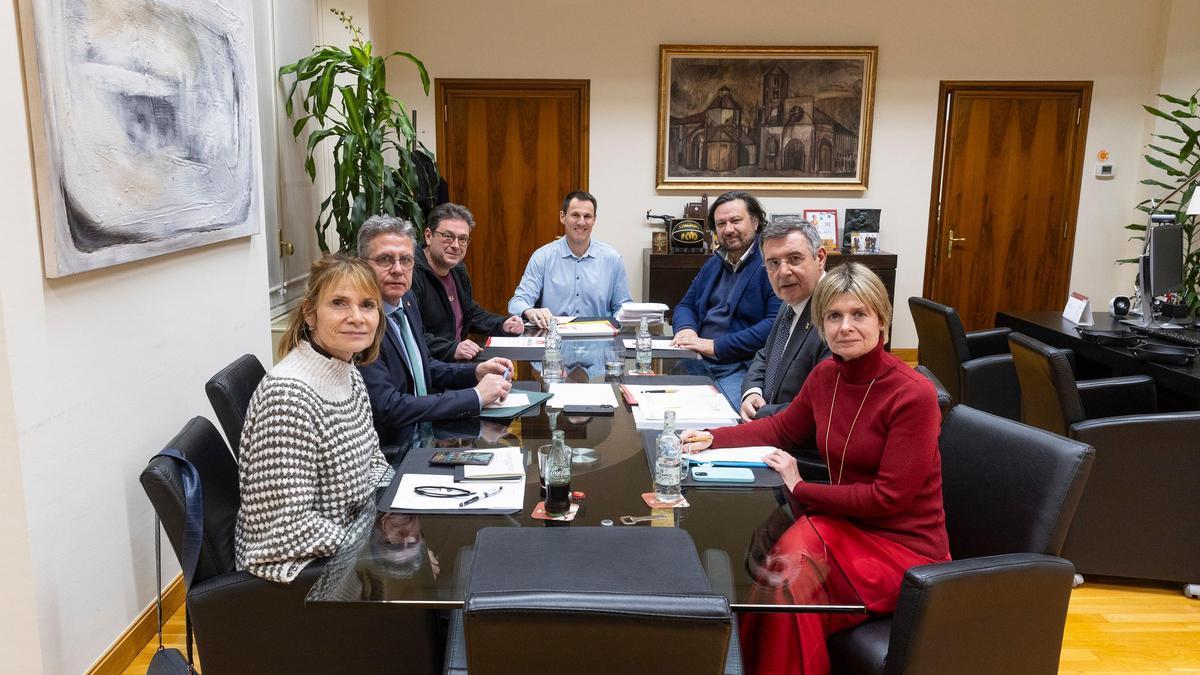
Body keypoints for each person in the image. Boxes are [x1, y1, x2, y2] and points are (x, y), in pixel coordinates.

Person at [681, 263, 948, 675]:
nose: (846, 326)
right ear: (822, 326)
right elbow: (782, 428)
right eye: (834, 316)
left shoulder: (913, 395)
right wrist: (713, 436)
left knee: (790, 577)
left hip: (902, 546)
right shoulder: (827, 375)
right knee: (773, 568)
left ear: (883, 322)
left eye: (859, 314)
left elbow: (888, 498)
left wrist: (801, 487)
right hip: (843, 523)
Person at [235, 255, 391, 584]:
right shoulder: (289, 397)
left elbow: (373, 463)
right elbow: (287, 526)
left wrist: (403, 507)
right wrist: (377, 551)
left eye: (367, 305)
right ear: (310, 313)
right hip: (304, 575)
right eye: (339, 303)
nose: (357, 317)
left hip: (346, 545)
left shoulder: (345, 370)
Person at [357, 216, 513, 443]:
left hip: (426, 435)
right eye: (385, 259)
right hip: (391, 450)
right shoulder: (360, 323)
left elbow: (423, 365)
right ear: (362, 265)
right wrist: (475, 396)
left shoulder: (406, 300)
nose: (398, 269)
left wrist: (476, 371)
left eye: (406, 260)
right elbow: (389, 406)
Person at [671, 191, 782, 405]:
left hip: (741, 367)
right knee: (657, 404)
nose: (728, 229)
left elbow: (773, 325)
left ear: (756, 222)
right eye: (721, 224)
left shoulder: (771, 262)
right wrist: (687, 329)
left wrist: (714, 346)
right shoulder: (714, 262)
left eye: (736, 221)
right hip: (697, 360)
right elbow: (686, 305)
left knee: (723, 420)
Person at [739, 217, 831, 422]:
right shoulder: (792, 298)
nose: (784, 272)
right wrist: (752, 392)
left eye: (795, 259)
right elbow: (766, 355)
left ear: (820, 258)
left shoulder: (836, 314)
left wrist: (761, 415)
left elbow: (821, 407)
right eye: (773, 263)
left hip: (805, 444)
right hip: (774, 425)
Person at [411, 203, 524, 362]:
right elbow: (412, 336)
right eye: (448, 236)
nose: (456, 245)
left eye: (462, 239)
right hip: (432, 367)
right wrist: (453, 348)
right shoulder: (410, 274)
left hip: (458, 363)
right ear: (429, 236)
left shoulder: (458, 270)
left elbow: (470, 314)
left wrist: (503, 324)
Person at [507, 191, 633, 327]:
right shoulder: (542, 257)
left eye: (587, 216)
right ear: (563, 217)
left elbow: (623, 307)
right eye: (575, 215)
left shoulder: (612, 259)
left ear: (594, 220)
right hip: (554, 338)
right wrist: (529, 311)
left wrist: (613, 327)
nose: (581, 222)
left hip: (600, 339)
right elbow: (517, 302)